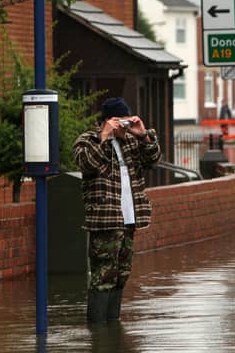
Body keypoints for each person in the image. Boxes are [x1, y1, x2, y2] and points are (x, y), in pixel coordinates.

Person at [73, 97, 161, 323]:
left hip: (129, 219)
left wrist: (143, 135)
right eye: (121, 123)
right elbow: (87, 164)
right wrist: (104, 137)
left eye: (127, 122)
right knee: (103, 274)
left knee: (122, 274)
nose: (125, 128)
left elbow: (153, 160)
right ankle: (97, 330)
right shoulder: (89, 140)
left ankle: (112, 325)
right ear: (109, 121)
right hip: (104, 220)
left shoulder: (132, 141)